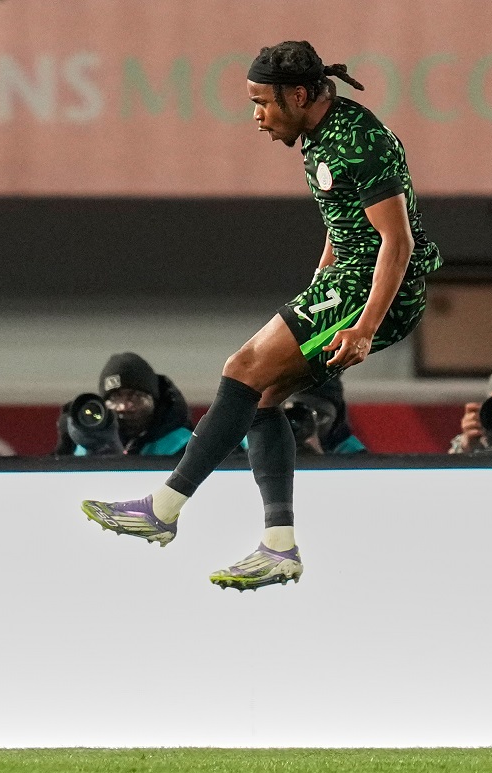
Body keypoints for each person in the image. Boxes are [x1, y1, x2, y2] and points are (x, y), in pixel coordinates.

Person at [80, 40, 441, 590]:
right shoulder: (317, 135)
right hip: (349, 280)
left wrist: (364, 327)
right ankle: (278, 545)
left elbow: (398, 241)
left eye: (262, 103)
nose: (256, 117)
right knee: (263, 397)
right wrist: (320, 279)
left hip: (375, 286)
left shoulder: (361, 141)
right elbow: (343, 219)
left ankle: (164, 507)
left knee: (242, 368)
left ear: (298, 95)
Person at [54, 353, 194, 457]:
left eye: (136, 397)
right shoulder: (84, 444)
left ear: (155, 403)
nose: (124, 407)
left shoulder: (184, 445)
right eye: (115, 399)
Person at [281, 376, 367, 455]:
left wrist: (318, 458)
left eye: (320, 416)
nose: (310, 423)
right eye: (299, 414)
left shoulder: (355, 455)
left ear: (337, 419)